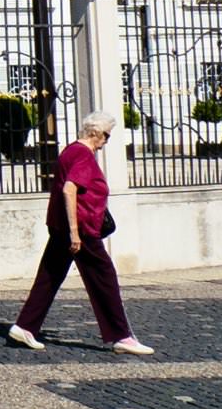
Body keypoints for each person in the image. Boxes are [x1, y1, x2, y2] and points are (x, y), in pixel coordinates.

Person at [8, 110, 154, 355]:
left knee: (50, 276)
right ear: (95, 132)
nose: (106, 141)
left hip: (60, 226)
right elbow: (69, 189)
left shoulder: (70, 150)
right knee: (104, 278)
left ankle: (24, 326)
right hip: (81, 230)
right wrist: (75, 232)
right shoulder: (84, 155)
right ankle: (122, 336)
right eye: (106, 135)